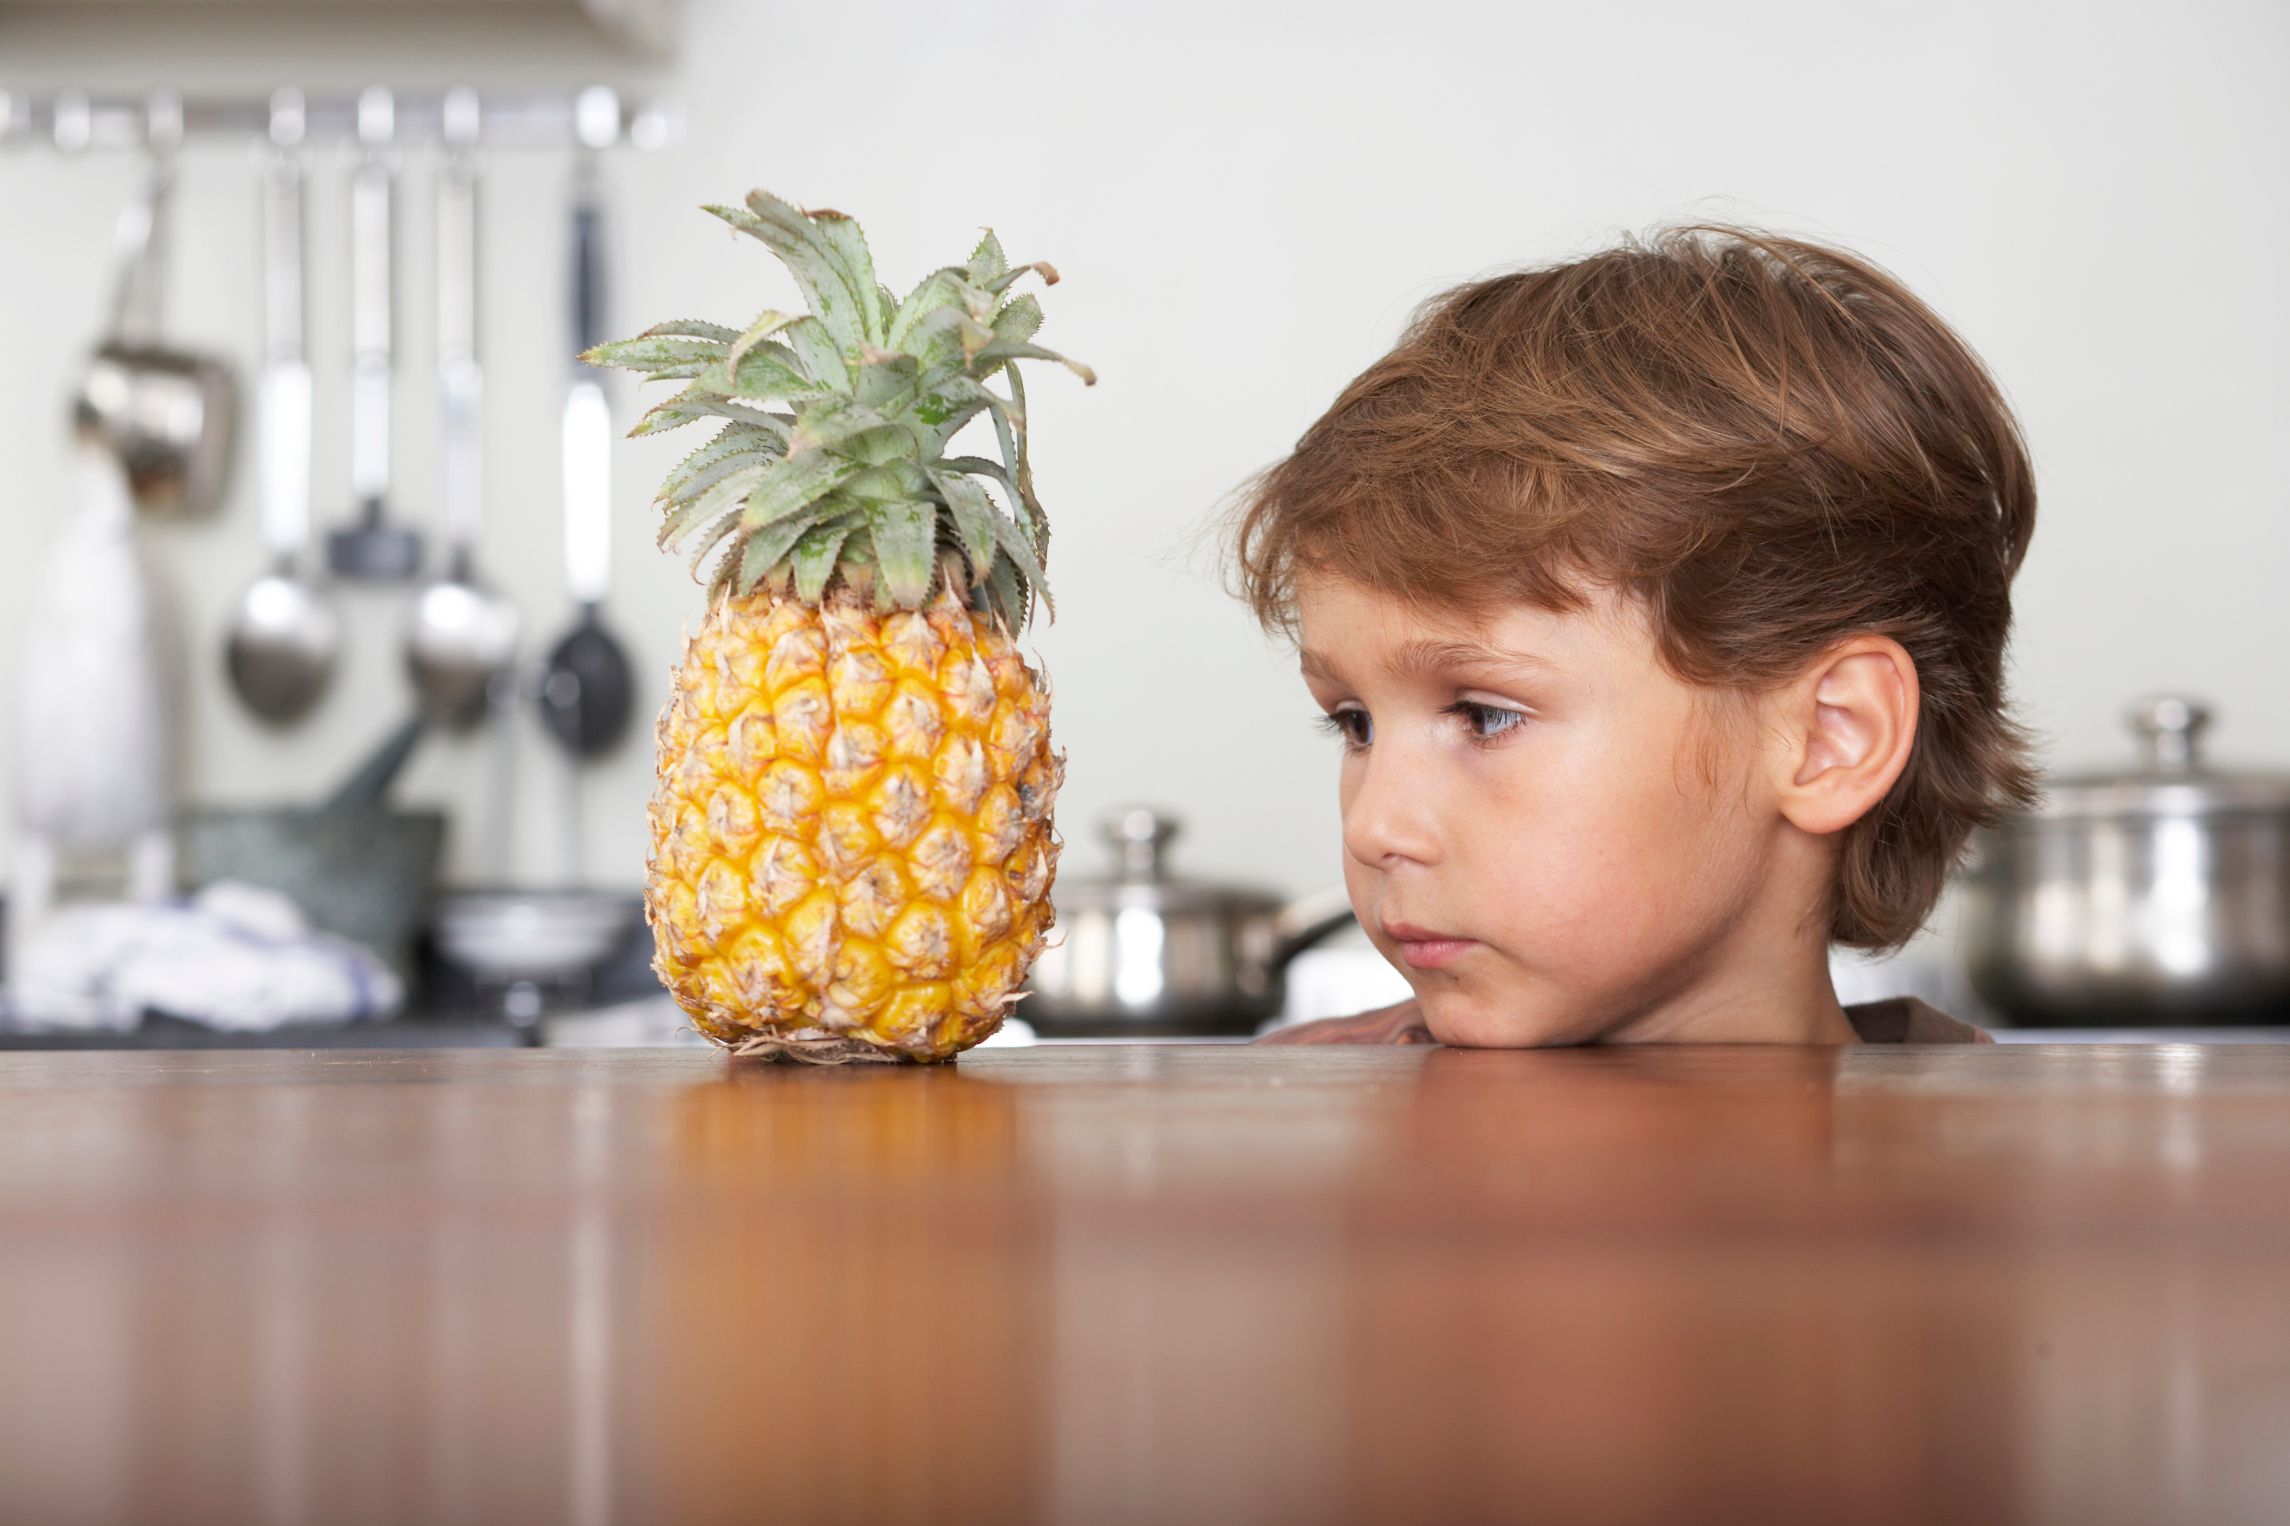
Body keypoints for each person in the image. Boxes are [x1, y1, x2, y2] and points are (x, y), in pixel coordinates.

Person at [1226, 224, 2033, 1046]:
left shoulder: (2018, 1161)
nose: (1372, 828)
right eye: (1354, 723)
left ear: (1831, 736)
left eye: (1484, 715)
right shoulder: (1285, 1121)